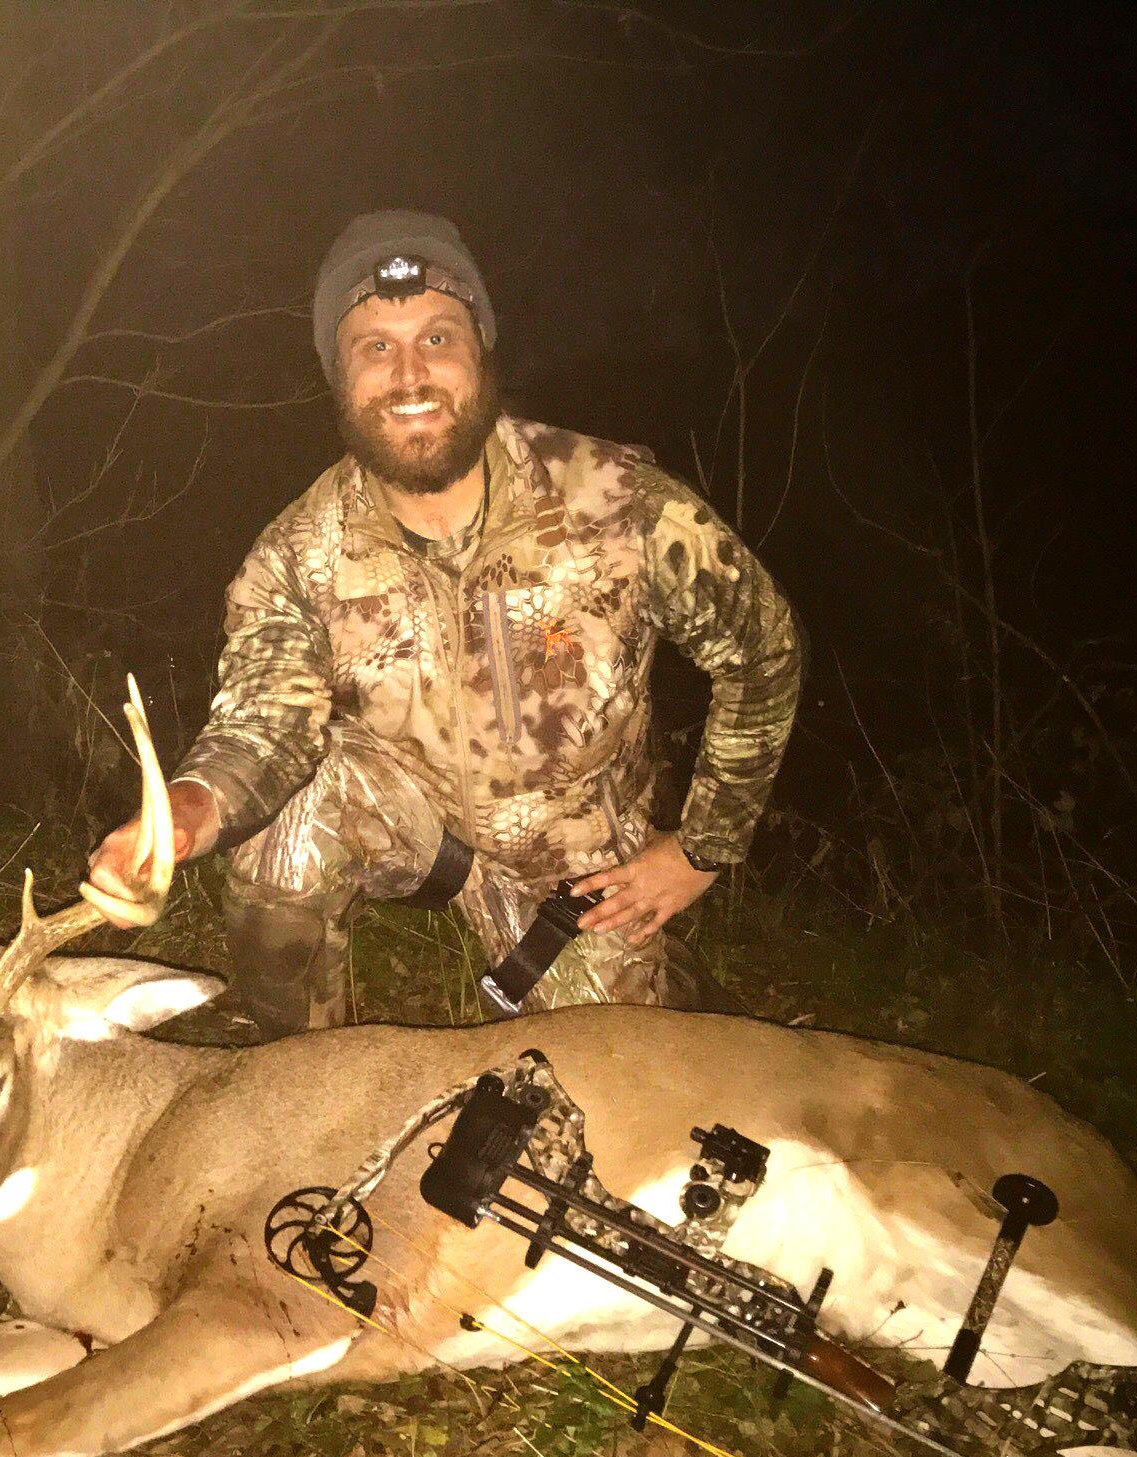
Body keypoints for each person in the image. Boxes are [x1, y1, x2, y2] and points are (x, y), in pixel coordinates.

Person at [90, 210, 802, 1036]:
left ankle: (669, 986)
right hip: (408, 811)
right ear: (340, 377)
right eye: (375, 348)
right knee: (280, 834)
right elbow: (266, 722)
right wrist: (183, 810)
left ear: (480, 353)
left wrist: (701, 849)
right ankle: (294, 1078)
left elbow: (763, 650)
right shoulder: (296, 552)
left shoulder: (615, 502)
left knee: (627, 1086)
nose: (409, 374)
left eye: (437, 339)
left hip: (571, 865)